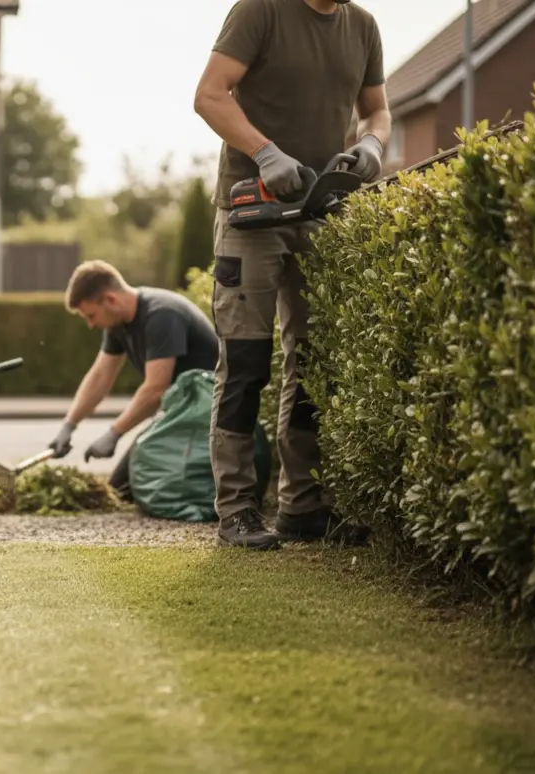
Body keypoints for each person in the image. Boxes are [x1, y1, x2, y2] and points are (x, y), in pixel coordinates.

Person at [193, 0, 389, 549]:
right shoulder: (261, 11)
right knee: (247, 362)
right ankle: (236, 511)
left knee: (313, 364)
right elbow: (209, 95)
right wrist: (265, 152)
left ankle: (303, 507)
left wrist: (373, 142)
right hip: (252, 210)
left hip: (322, 212)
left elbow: (378, 110)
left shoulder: (363, 26)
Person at [48, 260, 220, 502]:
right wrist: (69, 425)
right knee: (119, 488)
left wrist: (114, 434)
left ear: (110, 299)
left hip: (207, 417)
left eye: (91, 315)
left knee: (127, 489)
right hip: (180, 412)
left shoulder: (161, 315)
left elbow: (155, 389)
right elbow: (100, 376)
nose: (90, 324)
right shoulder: (119, 322)